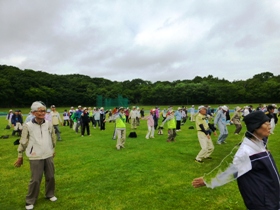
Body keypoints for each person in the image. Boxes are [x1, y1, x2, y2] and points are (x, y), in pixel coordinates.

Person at [192, 111, 280, 209]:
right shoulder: (246, 152)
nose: (270, 126)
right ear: (256, 127)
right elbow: (229, 170)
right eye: (266, 123)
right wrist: (208, 180)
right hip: (263, 201)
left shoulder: (259, 143)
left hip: (272, 194)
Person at [14, 101, 57, 210]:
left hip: (48, 154)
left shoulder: (48, 124)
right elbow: (23, 141)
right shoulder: (28, 126)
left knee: (51, 176)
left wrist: (52, 149)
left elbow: (53, 138)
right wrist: (20, 155)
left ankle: (50, 194)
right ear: (33, 113)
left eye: (44, 111)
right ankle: (30, 201)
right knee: (36, 179)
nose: (43, 113)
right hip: (35, 156)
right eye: (40, 111)